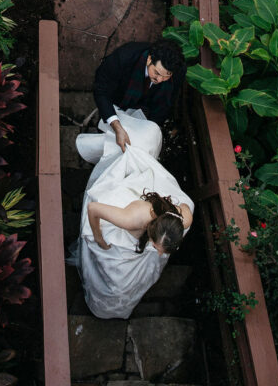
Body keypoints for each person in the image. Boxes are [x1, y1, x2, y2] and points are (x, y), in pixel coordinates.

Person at [71, 109, 194, 319]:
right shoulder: (134, 218)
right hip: (127, 212)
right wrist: (99, 238)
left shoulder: (185, 218)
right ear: (151, 229)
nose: (159, 253)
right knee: (116, 284)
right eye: (156, 247)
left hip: (159, 206)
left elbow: (184, 203)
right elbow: (94, 209)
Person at [93, 40, 185, 152]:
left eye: (166, 76)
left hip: (146, 110)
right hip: (118, 102)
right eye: (156, 73)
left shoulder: (178, 71)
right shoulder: (124, 57)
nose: (160, 80)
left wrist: (148, 132)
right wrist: (116, 125)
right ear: (149, 59)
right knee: (109, 143)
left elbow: (165, 105)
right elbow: (101, 90)